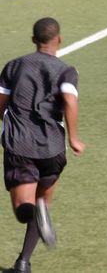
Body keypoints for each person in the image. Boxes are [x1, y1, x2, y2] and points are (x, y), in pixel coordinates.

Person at [0, 18, 84, 273]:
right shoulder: (67, 70)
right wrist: (73, 137)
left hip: (20, 144)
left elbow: (1, 100)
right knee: (42, 202)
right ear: (59, 39)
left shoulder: (14, 66)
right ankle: (23, 263)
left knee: (23, 210)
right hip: (53, 147)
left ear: (33, 40)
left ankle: (35, 214)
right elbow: (69, 100)